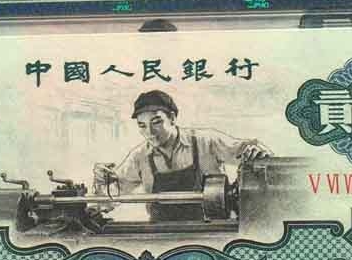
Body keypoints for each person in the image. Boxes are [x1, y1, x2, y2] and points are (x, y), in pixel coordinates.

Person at [93, 90, 271, 223]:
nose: (150, 133)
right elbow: (112, 196)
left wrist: (258, 153)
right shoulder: (140, 157)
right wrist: (103, 181)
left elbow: (249, 152)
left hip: (213, 231)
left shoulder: (205, 141)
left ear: (172, 118)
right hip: (161, 234)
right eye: (142, 126)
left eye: (156, 122)